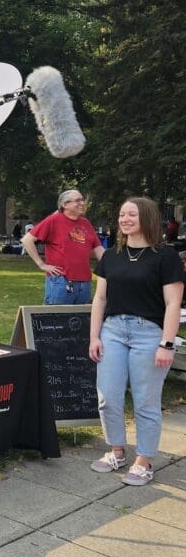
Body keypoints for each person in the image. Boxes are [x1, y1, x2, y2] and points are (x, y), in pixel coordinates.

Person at [88, 197, 184, 485]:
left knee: (145, 400)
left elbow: (172, 304)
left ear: (148, 217)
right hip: (113, 331)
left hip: (149, 334)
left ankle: (144, 460)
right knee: (108, 397)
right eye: (121, 214)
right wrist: (94, 336)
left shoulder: (165, 256)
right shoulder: (111, 256)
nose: (125, 219)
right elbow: (100, 298)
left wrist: (167, 344)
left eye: (132, 214)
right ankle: (117, 450)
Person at [21, 189, 103, 304]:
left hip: (85, 281)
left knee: (81, 319)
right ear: (65, 204)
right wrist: (42, 264)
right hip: (61, 280)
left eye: (82, 200)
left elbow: (98, 249)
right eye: (78, 200)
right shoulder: (54, 220)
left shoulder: (85, 223)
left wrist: (113, 267)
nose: (82, 203)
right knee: (57, 318)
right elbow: (27, 240)